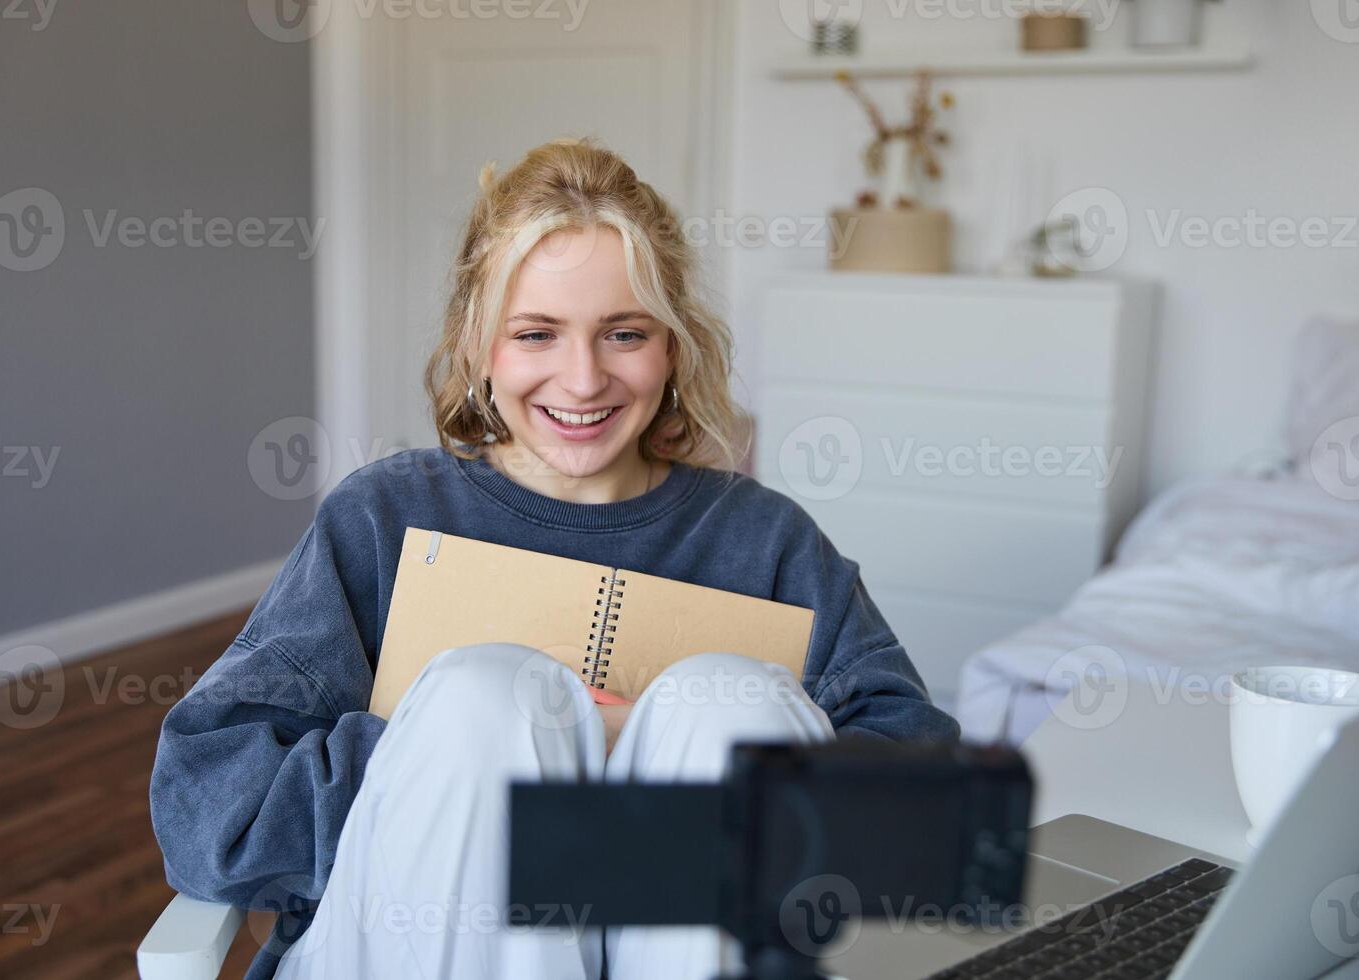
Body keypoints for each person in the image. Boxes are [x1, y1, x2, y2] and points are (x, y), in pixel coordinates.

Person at [149, 136, 959, 980]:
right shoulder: (385, 518)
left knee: (728, 709)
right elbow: (208, 810)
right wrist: (451, 756)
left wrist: (655, 746)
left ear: (672, 347)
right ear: (477, 345)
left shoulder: (765, 542)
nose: (582, 380)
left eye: (624, 333)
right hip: (401, 944)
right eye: (536, 333)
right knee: (483, 701)